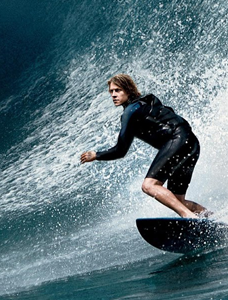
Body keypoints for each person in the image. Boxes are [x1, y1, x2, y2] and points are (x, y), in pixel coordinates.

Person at [80, 74, 209, 218]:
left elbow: (120, 150)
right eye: (111, 91)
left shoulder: (130, 111)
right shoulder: (147, 102)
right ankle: (210, 216)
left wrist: (96, 155)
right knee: (177, 200)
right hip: (191, 143)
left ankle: (189, 217)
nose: (114, 95)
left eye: (118, 90)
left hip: (178, 140)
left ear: (128, 90)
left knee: (149, 185)